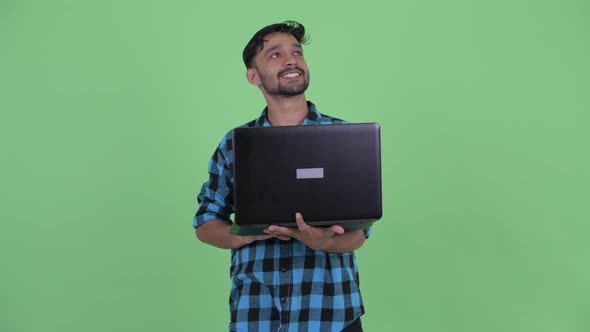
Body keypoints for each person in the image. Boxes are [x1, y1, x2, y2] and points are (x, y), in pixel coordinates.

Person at [193, 20, 370, 332]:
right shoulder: (234, 144)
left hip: (331, 316)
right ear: (253, 76)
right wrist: (251, 232)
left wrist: (323, 240)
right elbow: (205, 224)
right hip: (257, 315)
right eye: (275, 55)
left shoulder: (343, 139)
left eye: (297, 52)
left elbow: (359, 235)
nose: (291, 60)